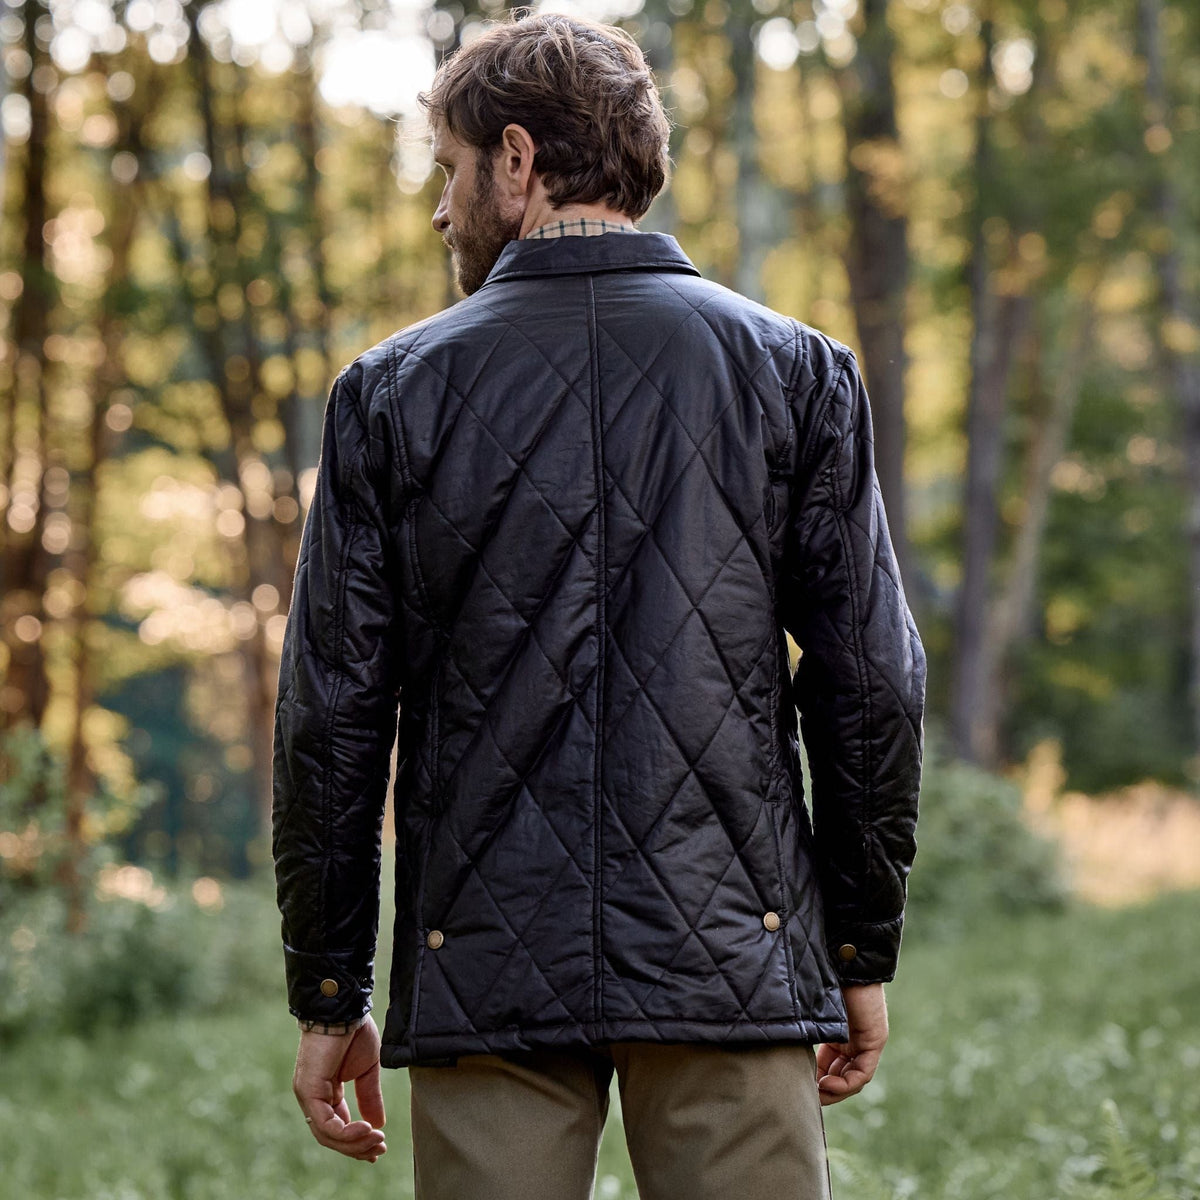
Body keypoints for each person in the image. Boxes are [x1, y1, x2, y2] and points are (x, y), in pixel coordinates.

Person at [271, 11, 926, 1199]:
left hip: (480, 964)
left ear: (515, 162)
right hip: (733, 951)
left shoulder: (389, 393)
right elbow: (871, 686)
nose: (439, 207)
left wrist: (330, 988)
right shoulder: (797, 371)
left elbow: (332, 721)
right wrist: (854, 949)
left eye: (450, 170)